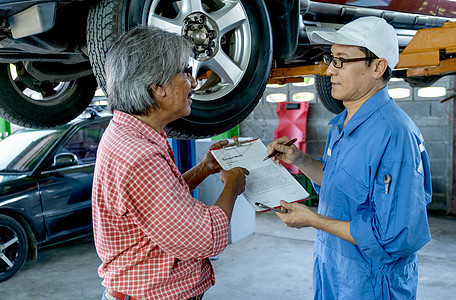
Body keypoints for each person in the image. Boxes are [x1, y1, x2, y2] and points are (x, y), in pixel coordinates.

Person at [267, 17, 432, 299]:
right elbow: (338, 183)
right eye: (331, 59)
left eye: (341, 60)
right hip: (333, 268)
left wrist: (314, 220)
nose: (330, 70)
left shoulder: (395, 135)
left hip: (371, 282)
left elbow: (391, 237)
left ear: (377, 66)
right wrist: (299, 159)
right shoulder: (343, 123)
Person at [92, 26, 249, 300]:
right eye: (186, 72)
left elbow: (158, 205)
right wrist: (232, 186)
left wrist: (203, 170)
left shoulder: (128, 133)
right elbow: (206, 237)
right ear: (158, 87)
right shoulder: (140, 155)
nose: (195, 82)